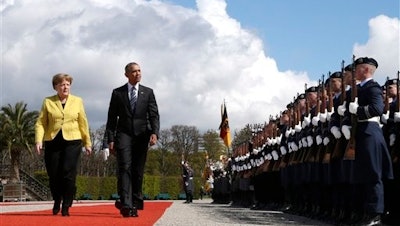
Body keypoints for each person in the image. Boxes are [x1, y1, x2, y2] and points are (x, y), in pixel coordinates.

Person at [105, 62, 160, 217]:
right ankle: (127, 204)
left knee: (138, 170)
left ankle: (135, 201)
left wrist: (155, 133)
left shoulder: (148, 92)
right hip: (123, 134)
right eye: (134, 71)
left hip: (142, 135)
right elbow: (111, 118)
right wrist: (110, 139)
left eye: (139, 71)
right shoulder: (117, 93)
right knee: (125, 167)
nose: (138, 74)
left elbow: (154, 115)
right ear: (127, 74)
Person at [35, 73, 92, 216]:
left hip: (73, 141)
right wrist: (38, 140)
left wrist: (87, 142)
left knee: (68, 172)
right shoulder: (48, 101)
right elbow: (41, 122)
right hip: (53, 141)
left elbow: (83, 122)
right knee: (54, 174)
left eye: (67, 84)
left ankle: (66, 205)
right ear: (56, 87)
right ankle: (57, 200)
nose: (65, 87)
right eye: (61, 84)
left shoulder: (77, 101)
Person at [348, 57, 393, 226]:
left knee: (373, 174)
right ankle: (365, 211)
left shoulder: (373, 87)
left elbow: (377, 108)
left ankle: (375, 213)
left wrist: (358, 110)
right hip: (361, 133)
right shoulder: (359, 88)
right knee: (362, 175)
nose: (354, 72)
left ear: (365, 70)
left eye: (357, 68)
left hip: (370, 132)